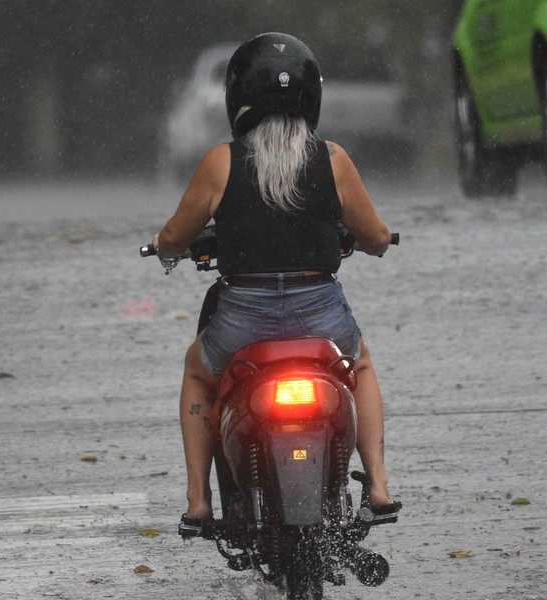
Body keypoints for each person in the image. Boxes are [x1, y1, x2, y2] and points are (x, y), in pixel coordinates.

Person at [153, 32, 398, 528]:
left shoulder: (220, 162)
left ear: (237, 96)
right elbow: (374, 237)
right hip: (321, 317)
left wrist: (165, 247)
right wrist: (371, 241)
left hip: (242, 322)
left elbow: (176, 237)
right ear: (313, 97)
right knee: (361, 365)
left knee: (197, 373)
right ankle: (377, 485)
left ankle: (199, 501)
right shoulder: (334, 159)